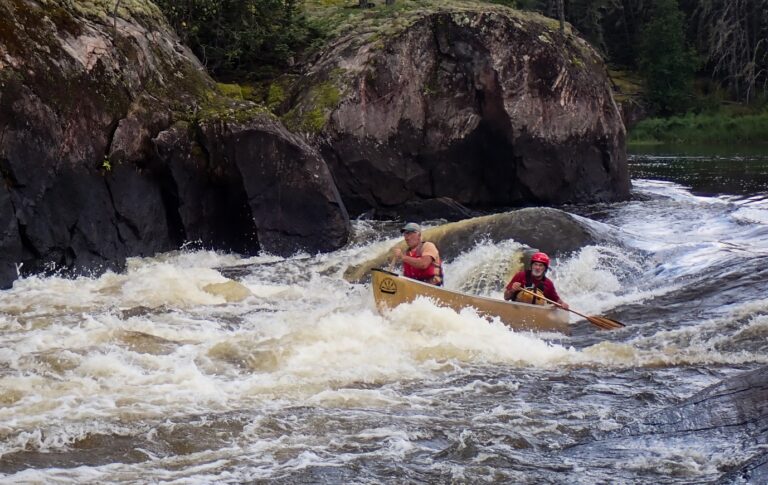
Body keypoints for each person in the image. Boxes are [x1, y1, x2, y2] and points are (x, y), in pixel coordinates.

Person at [503, 251, 569, 309]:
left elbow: (557, 301)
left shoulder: (548, 284)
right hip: (517, 309)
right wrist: (512, 290)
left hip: (536, 314)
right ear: (531, 266)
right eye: (535, 264)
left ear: (545, 268)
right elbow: (506, 297)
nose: (537, 268)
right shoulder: (520, 276)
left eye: (541, 265)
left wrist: (562, 304)